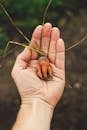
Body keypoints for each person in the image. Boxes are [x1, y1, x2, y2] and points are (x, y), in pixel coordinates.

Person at [11, 23, 65, 130]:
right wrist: (37, 99)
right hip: (42, 61)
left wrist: (36, 100)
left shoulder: (45, 63)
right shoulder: (41, 64)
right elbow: (41, 70)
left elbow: (43, 68)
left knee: (44, 68)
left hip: (43, 61)